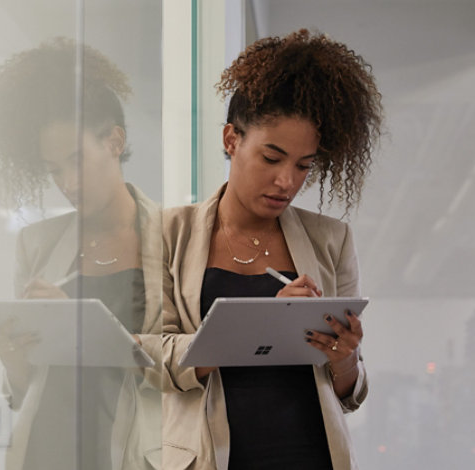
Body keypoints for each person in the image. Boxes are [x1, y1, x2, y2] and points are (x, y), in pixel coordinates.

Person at [161, 29, 383, 470]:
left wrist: (345, 358)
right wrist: (260, 325)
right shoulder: (169, 233)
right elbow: (151, 360)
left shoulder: (331, 240)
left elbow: (349, 393)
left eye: (304, 166)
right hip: (210, 458)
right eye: (271, 157)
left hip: (312, 456)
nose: (287, 181)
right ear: (231, 140)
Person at [0, 38, 162, 470]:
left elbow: (190, 366)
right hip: (46, 450)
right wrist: (13, 357)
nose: (67, 181)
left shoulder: (176, 237)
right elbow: (28, 390)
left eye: (76, 160)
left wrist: (85, 327)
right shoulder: (37, 243)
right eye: (55, 169)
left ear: (114, 142)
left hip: (131, 453)